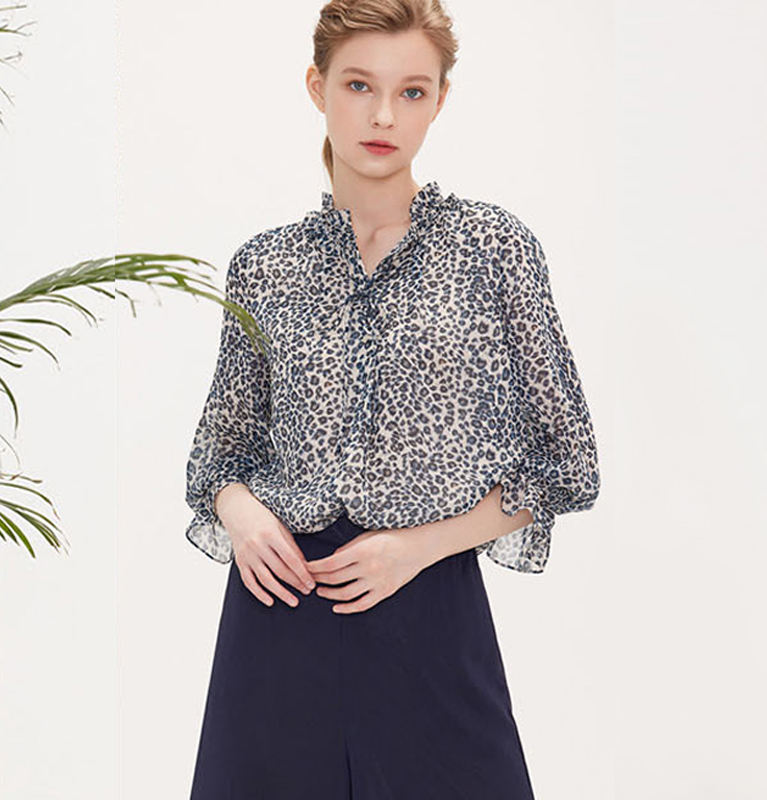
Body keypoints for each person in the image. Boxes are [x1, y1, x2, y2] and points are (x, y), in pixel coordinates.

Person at [184, 1, 600, 797]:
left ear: (440, 100)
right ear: (317, 87)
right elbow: (219, 456)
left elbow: (568, 464)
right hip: (276, 615)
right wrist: (242, 515)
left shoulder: (492, 248)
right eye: (359, 85)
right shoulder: (264, 266)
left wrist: (417, 547)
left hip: (428, 610)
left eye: (412, 91)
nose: (383, 116)